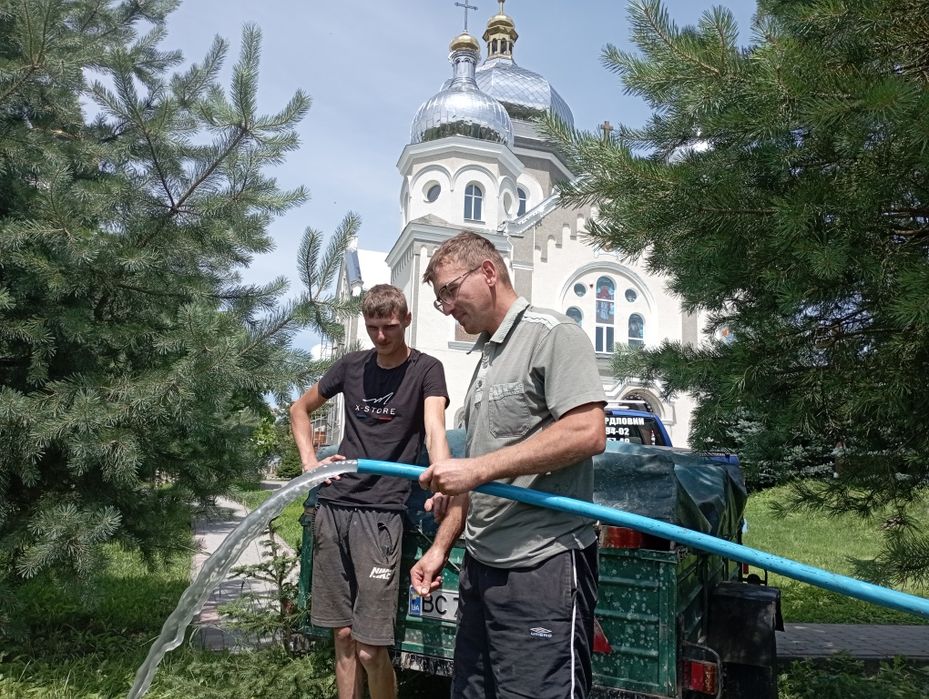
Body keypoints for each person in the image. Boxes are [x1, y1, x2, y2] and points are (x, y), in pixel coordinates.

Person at [411, 232, 607, 698]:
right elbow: (478, 475)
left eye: (449, 291)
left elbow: (588, 431)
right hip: (481, 566)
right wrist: (441, 548)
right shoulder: (488, 358)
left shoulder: (551, 334)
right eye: (440, 299)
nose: (447, 307)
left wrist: (478, 470)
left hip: (542, 564)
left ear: (488, 272)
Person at [290, 284, 450, 699]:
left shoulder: (426, 369)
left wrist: (444, 473)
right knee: (342, 636)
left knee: (370, 650)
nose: (382, 337)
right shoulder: (350, 366)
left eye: (390, 327)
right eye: (374, 327)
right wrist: (310, 464)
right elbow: (299, 409)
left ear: (407, 321)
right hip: (334, 506)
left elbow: (434, 427)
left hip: (381, 513)